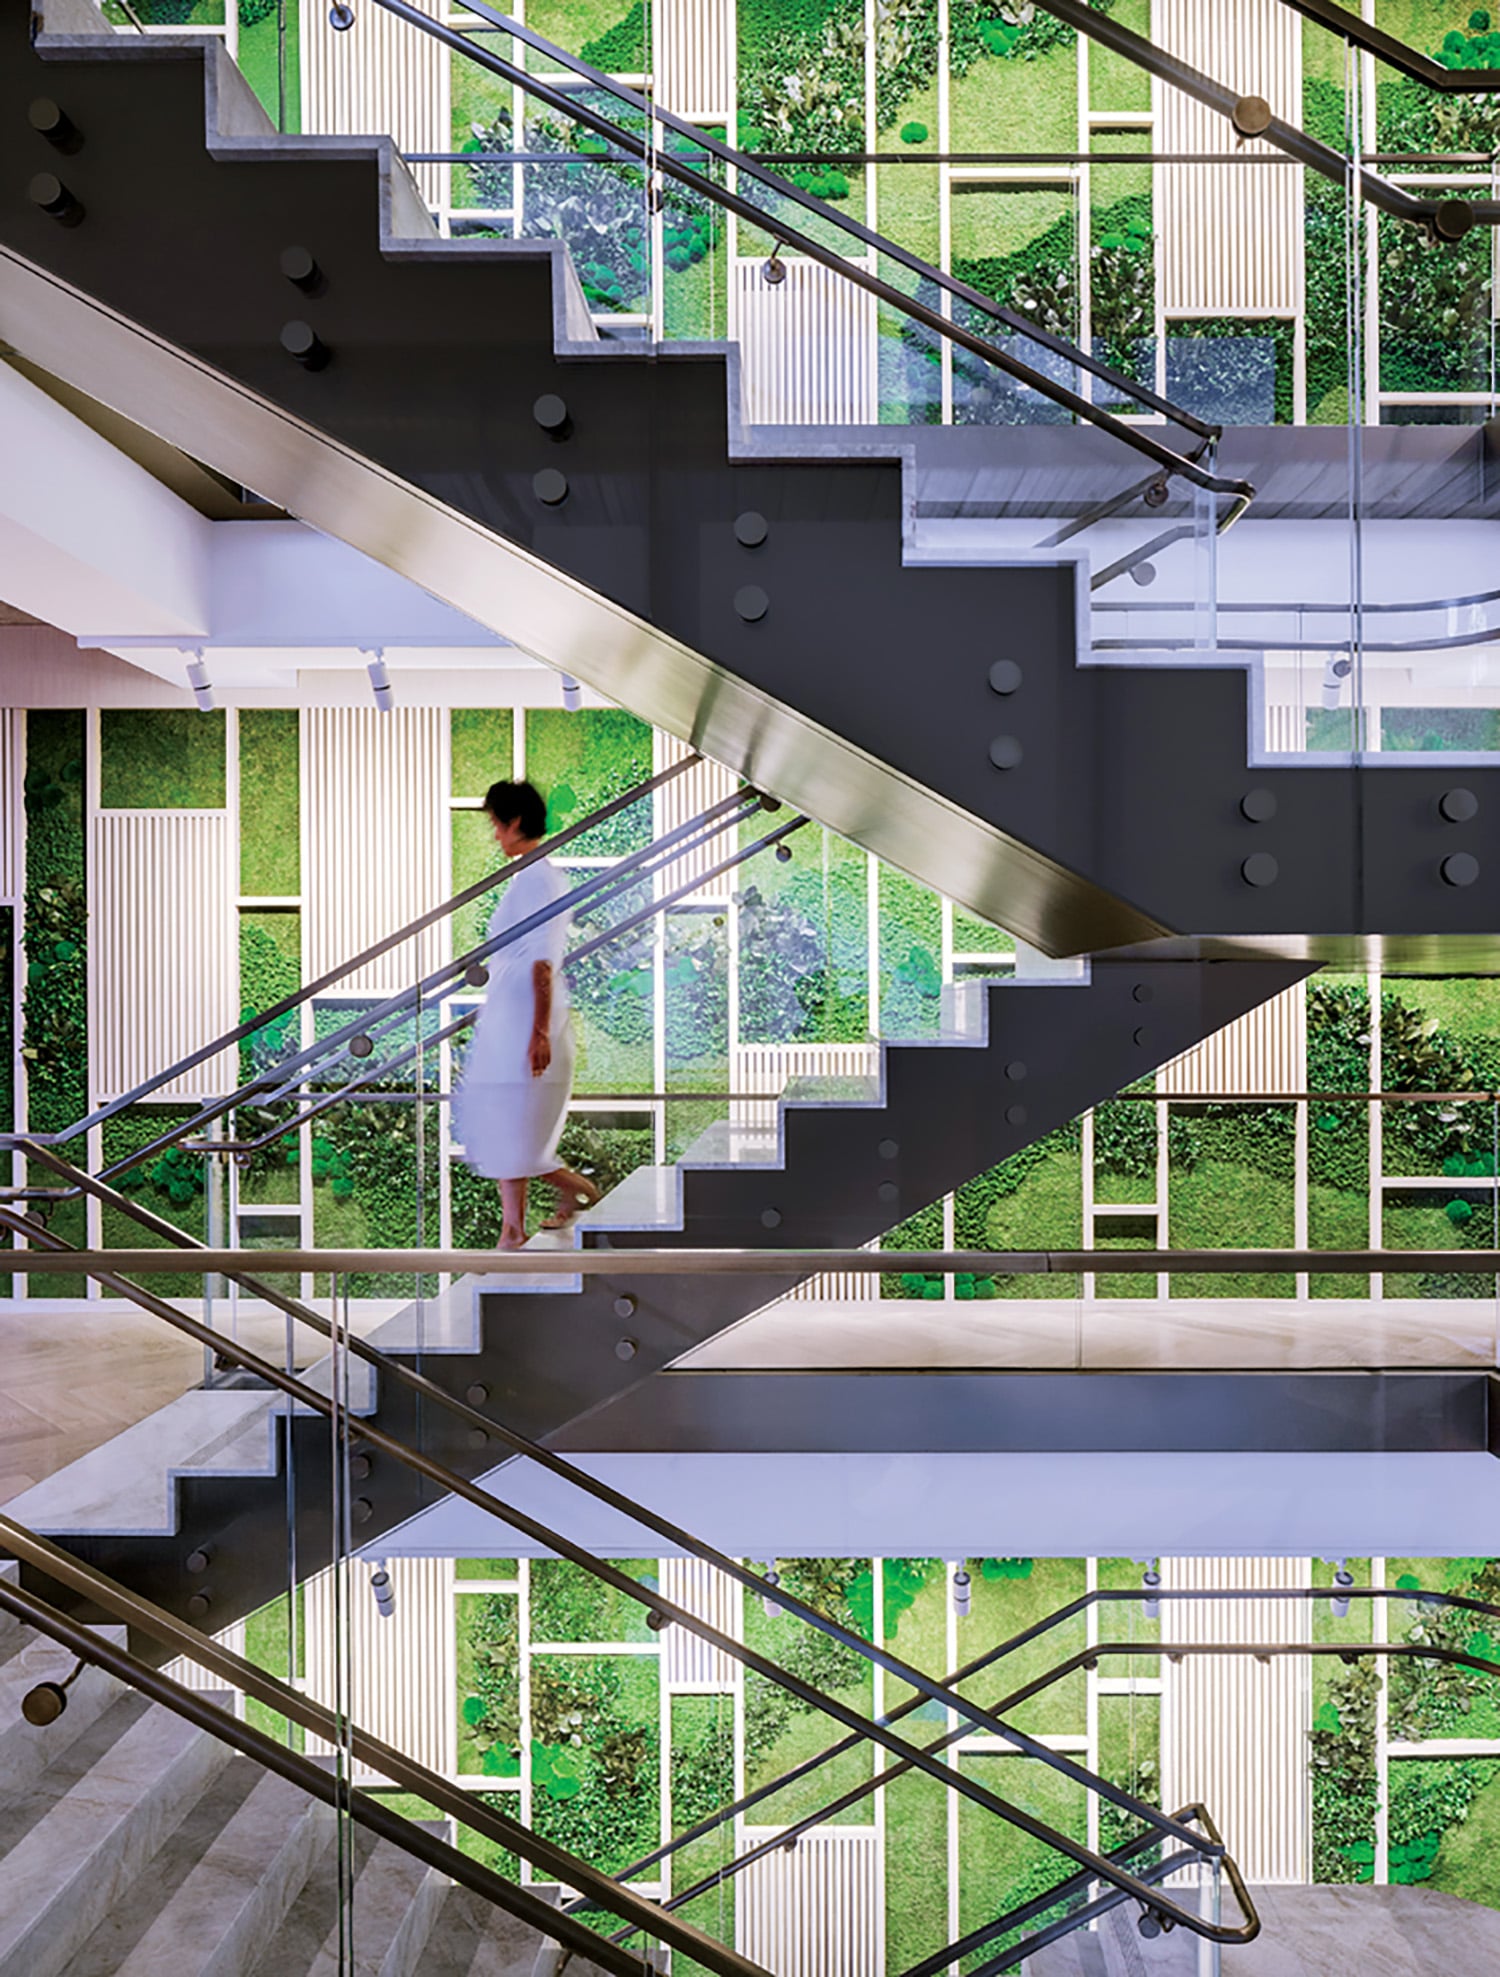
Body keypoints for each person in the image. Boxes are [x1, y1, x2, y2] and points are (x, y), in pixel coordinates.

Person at [454, 779, 601, 1249]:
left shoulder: (538, 878)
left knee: (509, 1125)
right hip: (513, 1019)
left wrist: (538, 1032)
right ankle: (514, 1228)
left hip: (525, 1023)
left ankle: (562, 1199)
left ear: (515, 822)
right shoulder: (531, 876)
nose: (495, 835)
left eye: (497, 825)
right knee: (503, 1122)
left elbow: (542, 961)